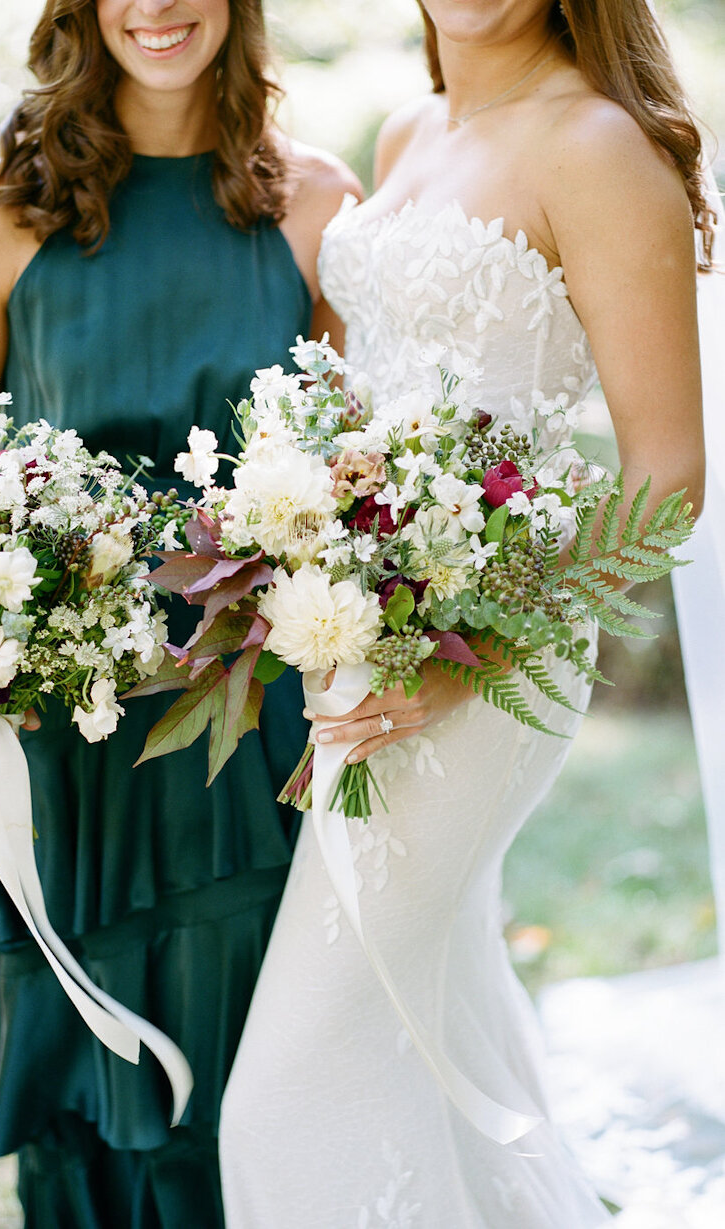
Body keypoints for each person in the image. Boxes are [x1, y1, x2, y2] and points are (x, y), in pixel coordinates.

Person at [219, 0, 709, 1224]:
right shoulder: (406, 132)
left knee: (287, 1088)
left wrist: (468, 657)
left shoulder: (600, 147)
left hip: (488, 664)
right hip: (357, 643)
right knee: (433, 1039)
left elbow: (669, 473)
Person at [0, 2, 358, 1226]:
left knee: (228, 1082)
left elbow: (344, 487)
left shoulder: (317, 204)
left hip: (237, 720)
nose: (157, 6)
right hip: (59, 710)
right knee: (76, 1087)